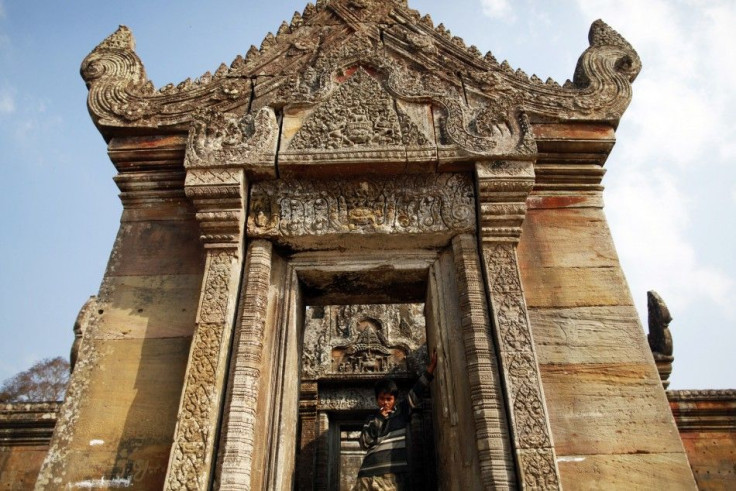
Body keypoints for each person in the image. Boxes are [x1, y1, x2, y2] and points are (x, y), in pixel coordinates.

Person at [352, 349, 438, 491]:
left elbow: (417, 391)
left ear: (394, 400)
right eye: (382, 399)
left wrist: (431, 368)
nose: (385, 402)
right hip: (367, 474)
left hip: (391, 476)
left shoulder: (402, 411)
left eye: (389, 399)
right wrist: (380, 418)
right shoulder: (371, 419)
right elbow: (364, 443)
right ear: (376, 399)